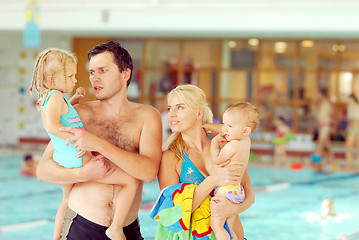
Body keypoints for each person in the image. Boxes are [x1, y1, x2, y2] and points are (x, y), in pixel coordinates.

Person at [36, 41, 162, 240]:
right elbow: (43, 171)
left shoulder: (147, 116)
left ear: (125, 74)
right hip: (80, 225)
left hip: (126, 229)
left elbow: (147, 172)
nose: (95, 78)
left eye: (103, 70)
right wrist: (82, 173)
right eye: (92, 72)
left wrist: (97, 143)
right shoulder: (78, 114)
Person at [157, 84, 255, 240]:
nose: (171, 114)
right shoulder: (170, 157)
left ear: (198, 113)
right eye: (169, 109)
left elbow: (249, 192)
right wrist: (213, 180)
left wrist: (232, 208)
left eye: (180, 107)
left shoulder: (225, 146)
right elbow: (170, 215)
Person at [207, 102, 259, 240]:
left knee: (216, 225)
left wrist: (214, 144)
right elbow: (228, 130)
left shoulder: (233, 146)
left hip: (225, 191)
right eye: (224, 124)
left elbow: (217, 160)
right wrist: (209, 126)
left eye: (229, 126)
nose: (224, 130)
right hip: (236, 191)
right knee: (228, 228)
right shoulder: (246, 141)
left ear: (245, 130)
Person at [313, 88, 333, 170]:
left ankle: (318, 164)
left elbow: (331, 116)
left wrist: (332, 127)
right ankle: (331, 163)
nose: (316, 96)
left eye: (317, 94)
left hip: (326, 125)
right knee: (327, 145)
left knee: (320, 144)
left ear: (321, 94)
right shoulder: (319, 104)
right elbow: (318, 117)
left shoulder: (326, 104)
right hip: (322, 126)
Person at [345, 93, 359, 172]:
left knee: (355, 148)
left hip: (355, 130)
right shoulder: (350, 108)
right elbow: (350, 122)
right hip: (353, 130)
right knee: (348, 148)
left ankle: (355, 167)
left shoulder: (355, 107)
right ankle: (349, 166)